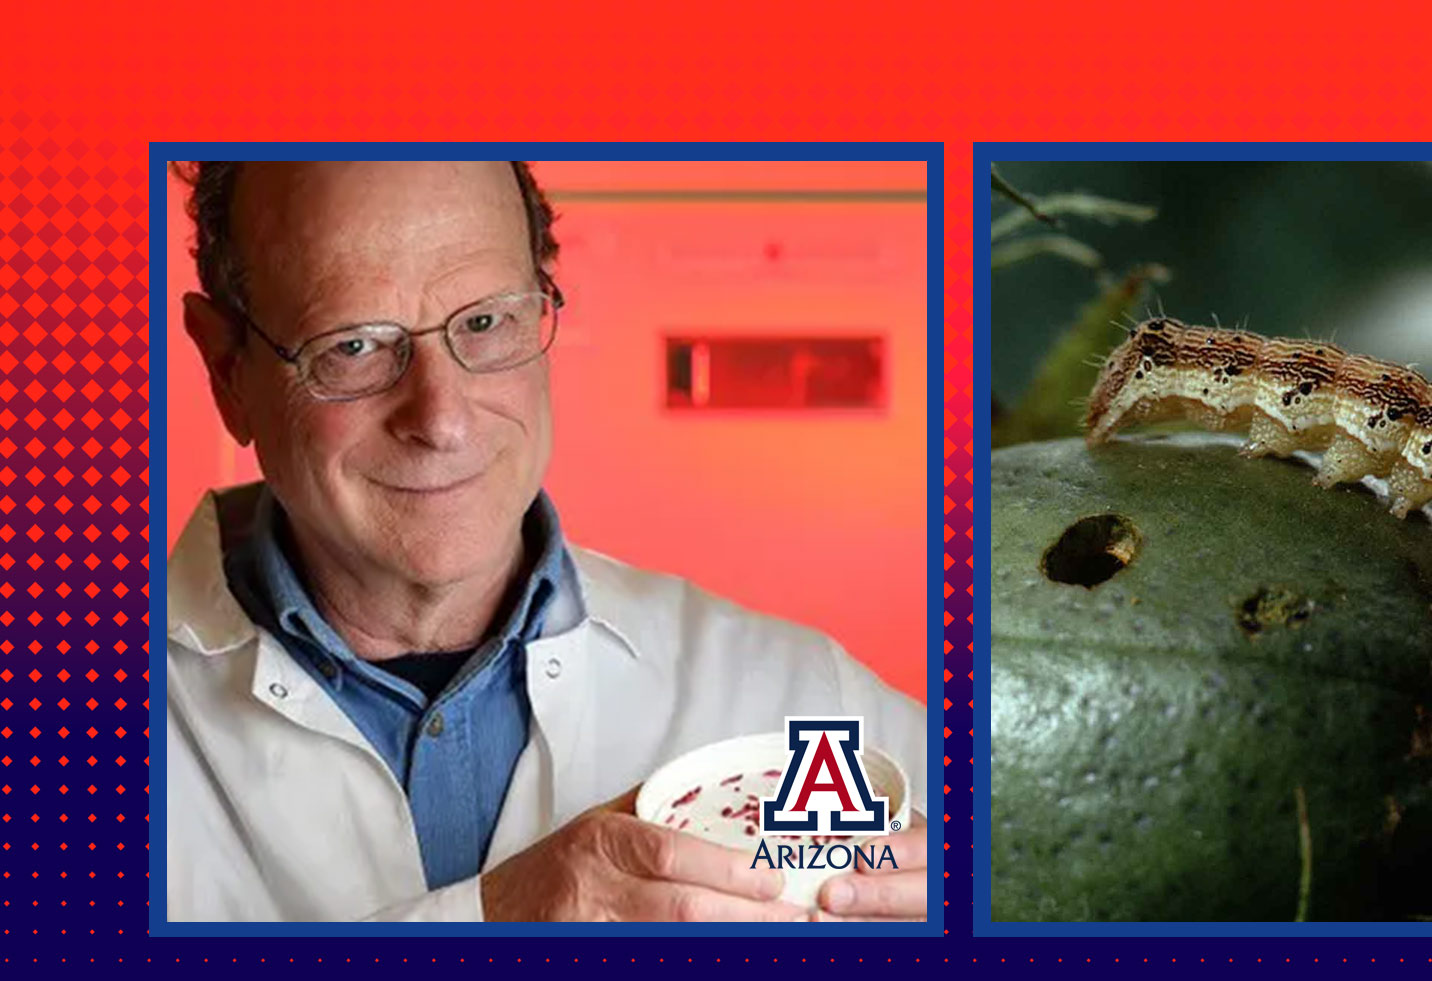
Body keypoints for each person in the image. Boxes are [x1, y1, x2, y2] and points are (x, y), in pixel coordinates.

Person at [164, 160, 929, 922]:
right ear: (228, 370)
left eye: (486, 322)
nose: (442, 419)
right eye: (355, 345)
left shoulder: (800, 702)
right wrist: (497, 919)